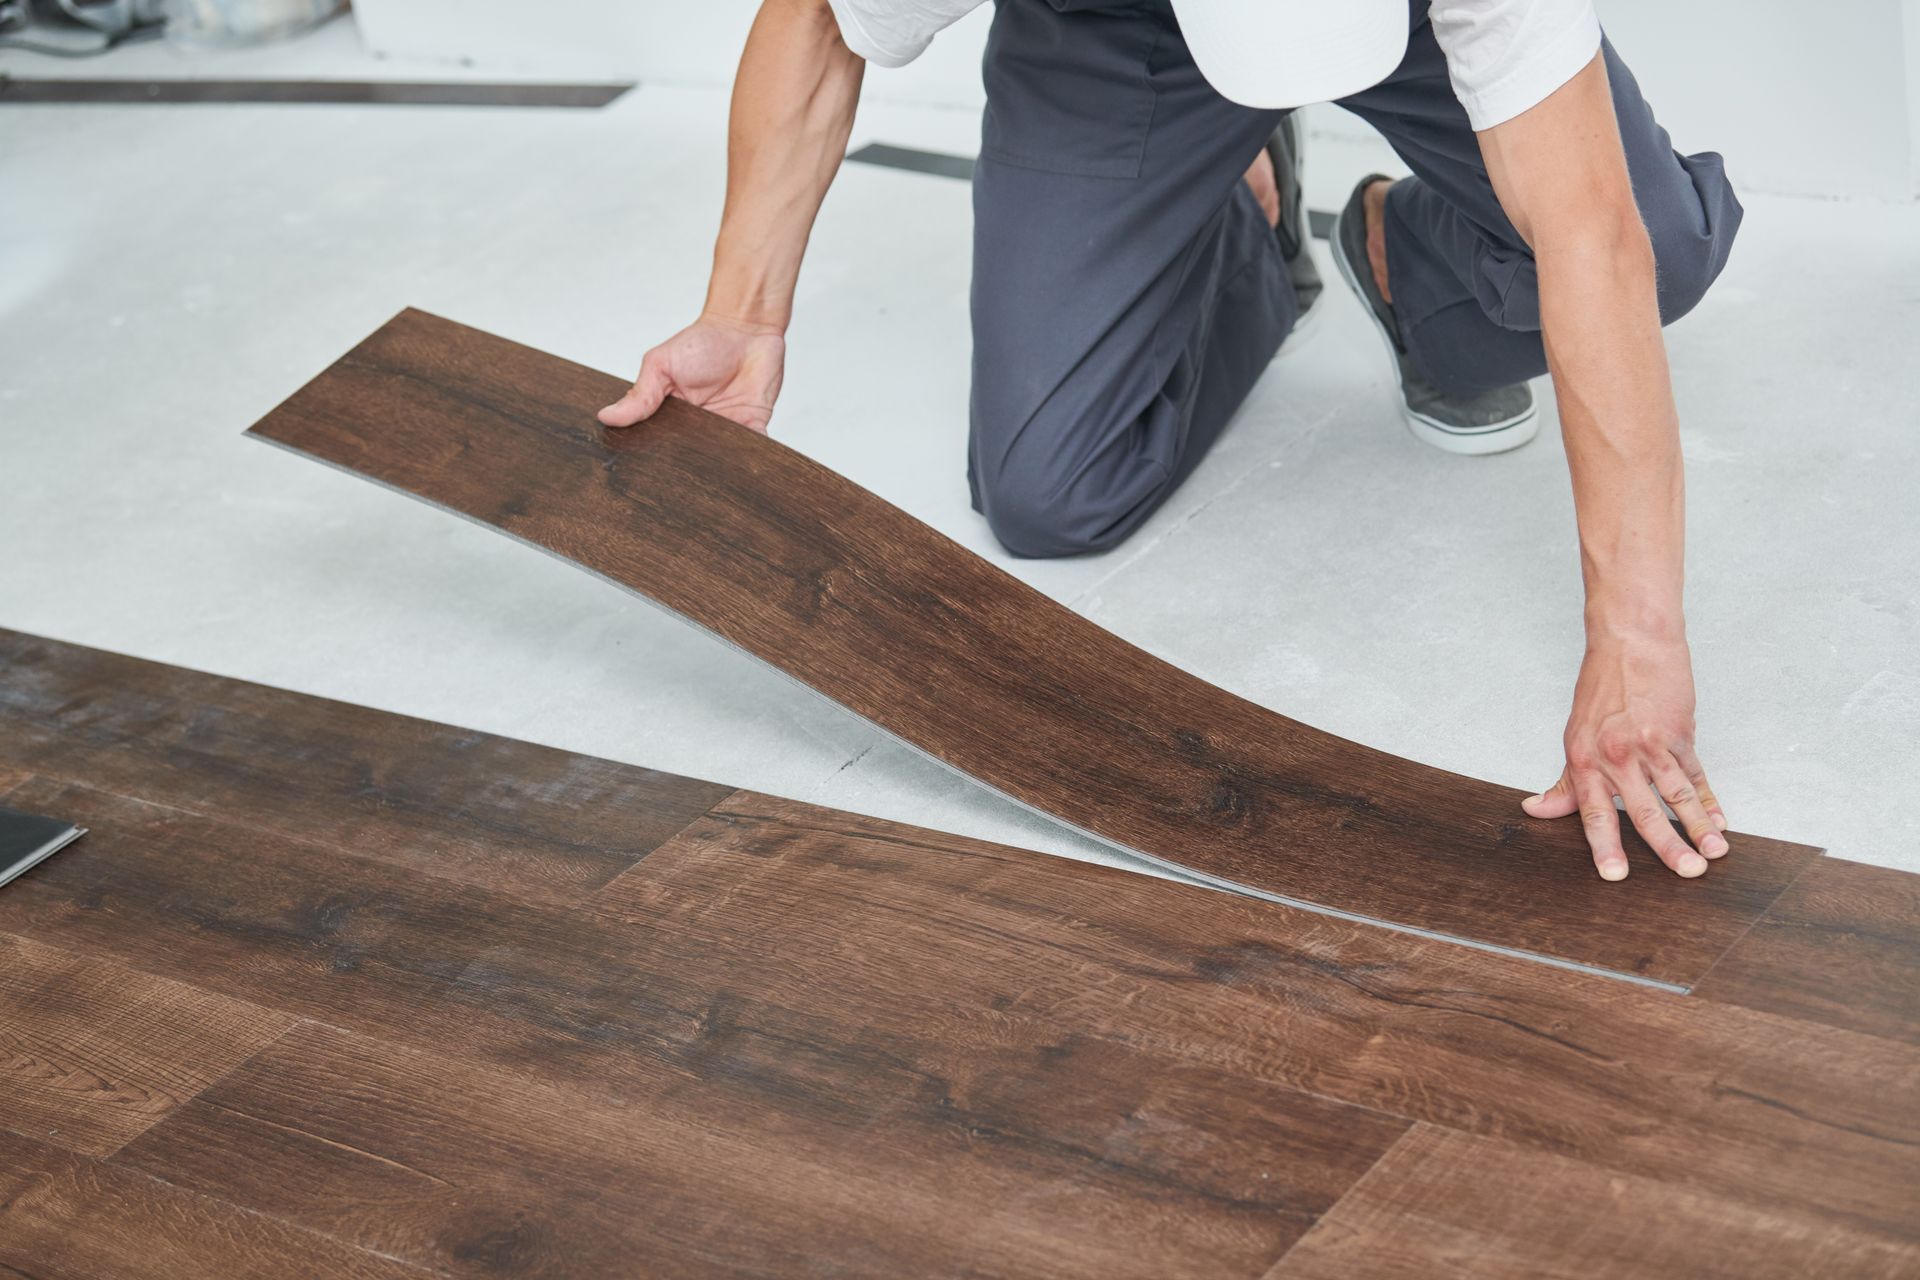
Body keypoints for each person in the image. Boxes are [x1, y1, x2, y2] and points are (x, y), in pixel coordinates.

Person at [599, 0, 1744, 883]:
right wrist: (742, 313)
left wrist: (1637, 639)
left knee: (1660, 248)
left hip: (1404, 24)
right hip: (1111, 29)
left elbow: (1593, 232)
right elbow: (817, 18)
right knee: (1049, 491)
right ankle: (1240, 218)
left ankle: (1409, 263)